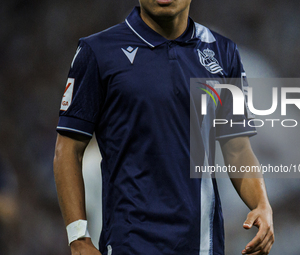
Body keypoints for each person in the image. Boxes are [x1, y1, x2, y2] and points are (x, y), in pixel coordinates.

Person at [53, 0, 274, 255]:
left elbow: (237, 149)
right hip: (131, 245)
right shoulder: (99, 51)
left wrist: (261, 204)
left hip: (202, 246)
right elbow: (67, 149)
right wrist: (78, 238)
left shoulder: (223, 53)